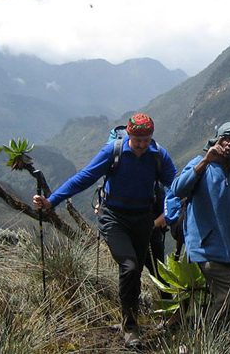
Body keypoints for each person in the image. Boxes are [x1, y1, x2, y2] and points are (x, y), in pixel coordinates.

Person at [33, 113, 177, 348]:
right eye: (137, 139)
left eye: (146, 139)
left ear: (152, 137)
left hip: (143, 220)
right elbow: (85, 177)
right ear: (129, 135)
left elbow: (176, 186)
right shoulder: (114, 151)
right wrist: (52, 200)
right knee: (129, 266)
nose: (141, 145)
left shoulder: (158, 155)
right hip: (113, 217)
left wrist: (167, 215)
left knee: (136, 270)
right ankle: (130, 327)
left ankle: (131, 319)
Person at [171, 121, 230, 326]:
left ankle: (211, 336)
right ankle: (210, 336)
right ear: (217, 140)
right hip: (205, 246)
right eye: (227, 139)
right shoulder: (200, 164)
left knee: (228, 300)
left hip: (228, 249)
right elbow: (178, 189)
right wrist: (205, 161)